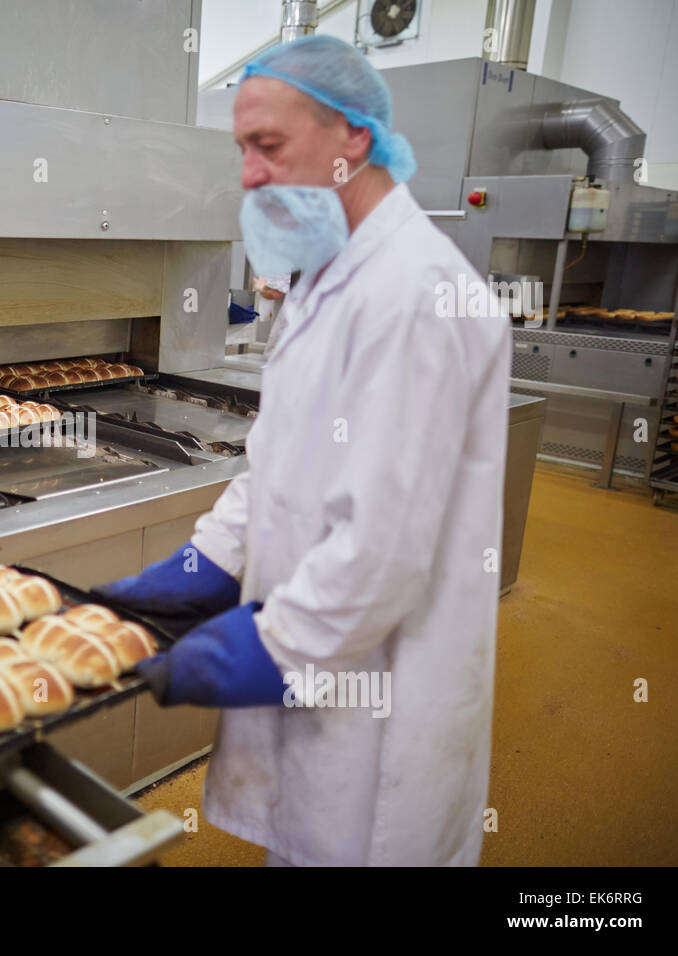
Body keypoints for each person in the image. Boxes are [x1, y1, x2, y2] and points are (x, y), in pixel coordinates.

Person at [95, 35, 509, 866]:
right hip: (323, 660)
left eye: (268, 145)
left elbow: (380, 551)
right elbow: (278, 464)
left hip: (380, 705)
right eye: (243, 148)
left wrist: (269, 650)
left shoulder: (417, 297)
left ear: (352, 137)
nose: (248, 172)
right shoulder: (326, 278)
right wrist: (203, 564)